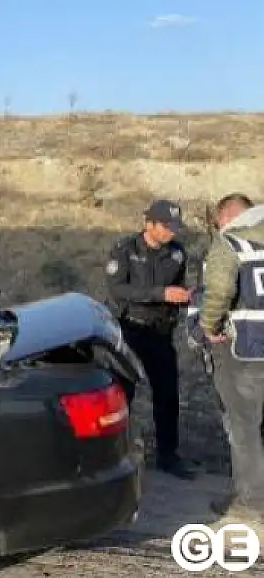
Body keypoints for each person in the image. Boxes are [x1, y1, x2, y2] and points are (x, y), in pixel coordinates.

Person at [105, 199, 196, 480]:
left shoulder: (178, 254)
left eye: (175, 228)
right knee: (123, 394)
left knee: (167, 395)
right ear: (150, 224)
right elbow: (118, 289)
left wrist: (183, 297)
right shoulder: (125, 250)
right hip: (131, 329)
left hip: (160, 332)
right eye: (166, 227)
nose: (172, 233)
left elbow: (178, 286)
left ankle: (168, 455)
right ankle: (114, 454)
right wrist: (161, 294)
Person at [196, 192, 264, 521]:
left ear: (226, 219)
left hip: (246, 351)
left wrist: (208, 327)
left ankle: (250, 502)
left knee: (244, 426)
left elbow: (220, 292)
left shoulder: (230, 244)